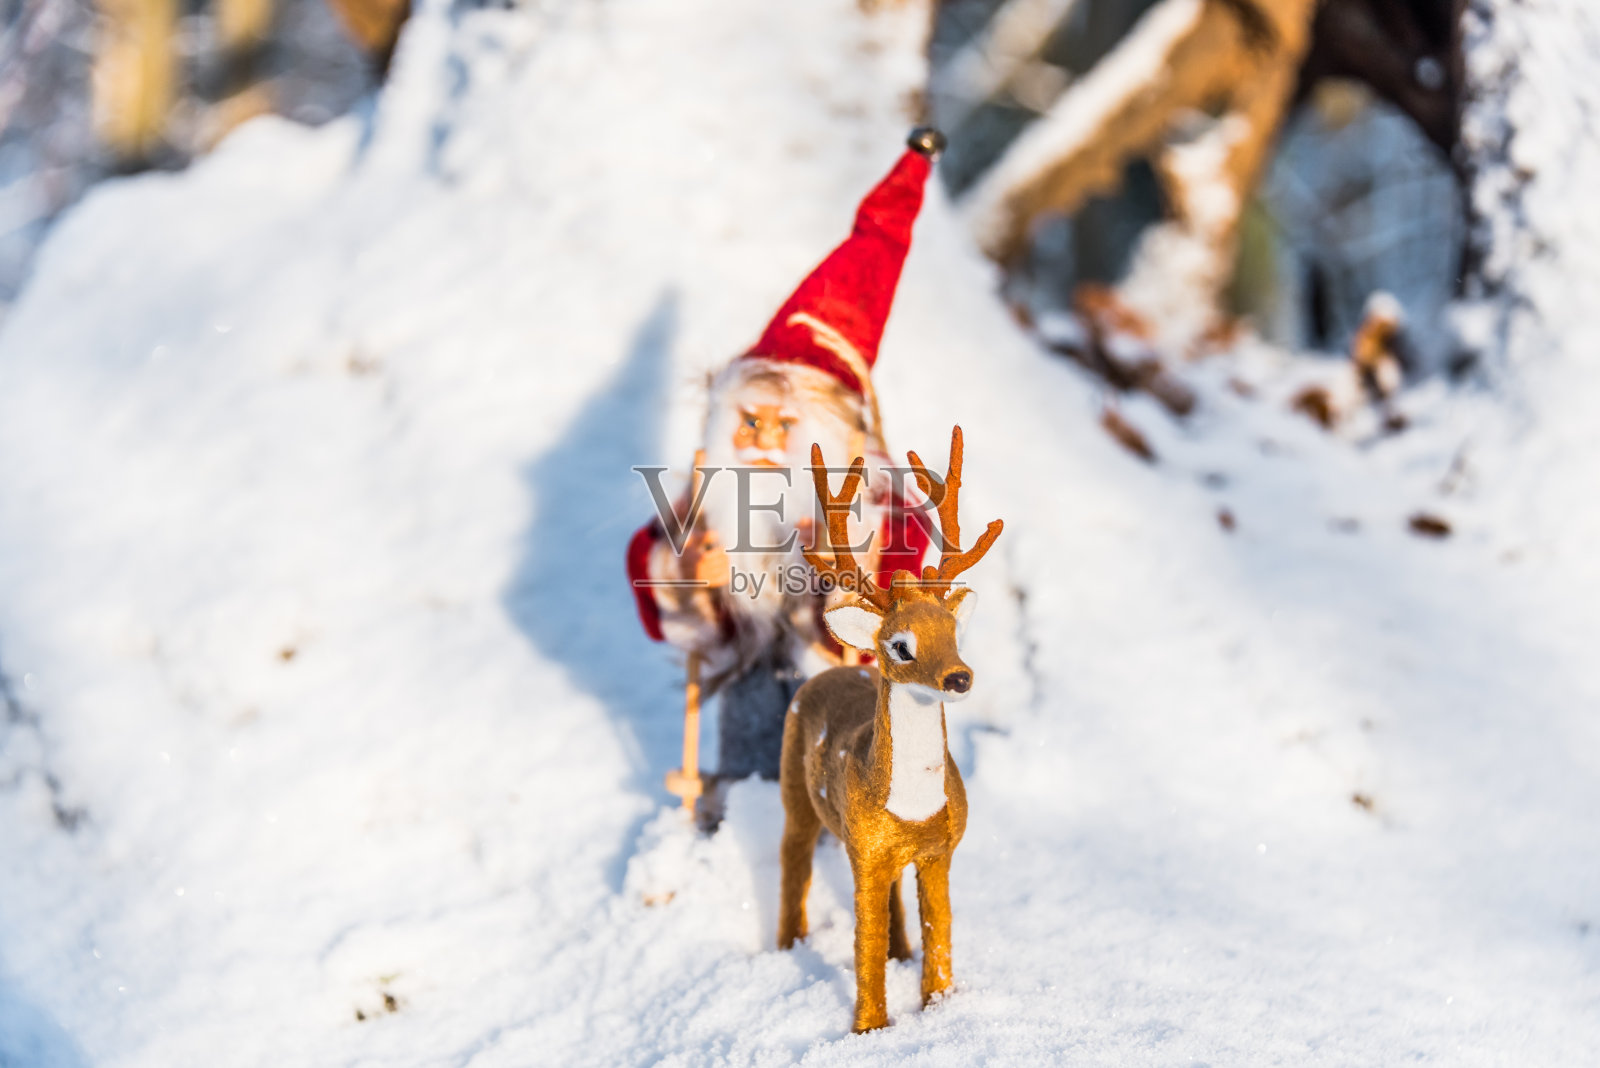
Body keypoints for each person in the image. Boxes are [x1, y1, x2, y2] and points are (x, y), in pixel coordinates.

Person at [627, 128, 944, 787]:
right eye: (749, 421)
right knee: (746, 715)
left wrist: (844, 579)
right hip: (749, 656)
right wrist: (693, 575)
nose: (765, 442)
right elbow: (658, 583)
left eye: (786, 426)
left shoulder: (882, 509)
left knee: (830, 744)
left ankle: (825, 832)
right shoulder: (712, 500)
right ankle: (738, 810)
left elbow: (900, 594)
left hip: (838, 680)